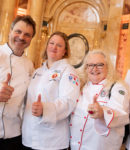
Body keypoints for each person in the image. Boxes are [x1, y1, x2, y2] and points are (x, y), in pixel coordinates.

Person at [22, 31, 80, 150]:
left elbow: (69, 102)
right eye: (51, 43)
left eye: (59, 45)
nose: (54, 47)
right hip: (28, 136)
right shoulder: (37, 71)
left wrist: (45, 109)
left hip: (52, 140)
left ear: (65, 51)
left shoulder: (68, 72)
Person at [70, 50, 130, 150]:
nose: (94, 68)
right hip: (76, 146)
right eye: (90, 65)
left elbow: (122, 113)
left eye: (100, 65)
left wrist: (103, 113)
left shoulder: (117, 87)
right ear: (86, 68)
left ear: (108, 67)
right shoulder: (81, 86)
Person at [0, 15, 36, 150]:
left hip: (14, 136)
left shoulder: (29, 65)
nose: (21, 37)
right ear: (10, 31)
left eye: (27, 35)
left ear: (31, 39)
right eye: (18, 31)